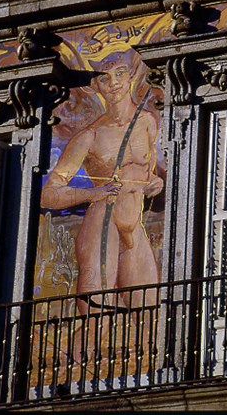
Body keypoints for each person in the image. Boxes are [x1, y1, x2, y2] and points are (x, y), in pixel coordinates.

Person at [41, 50, 164, 362]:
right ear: (94, 86)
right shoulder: (90, 136)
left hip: (134, 225)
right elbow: (49, 194)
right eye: (104, 78)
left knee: (149, 311)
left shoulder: (149, 122)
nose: (114, 83)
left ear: (132, 75)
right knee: (97, 315)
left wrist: (156, 182)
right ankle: (75, 373)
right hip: (101, 225)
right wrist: (91, 195)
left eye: (120, 73)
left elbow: (157, 171)